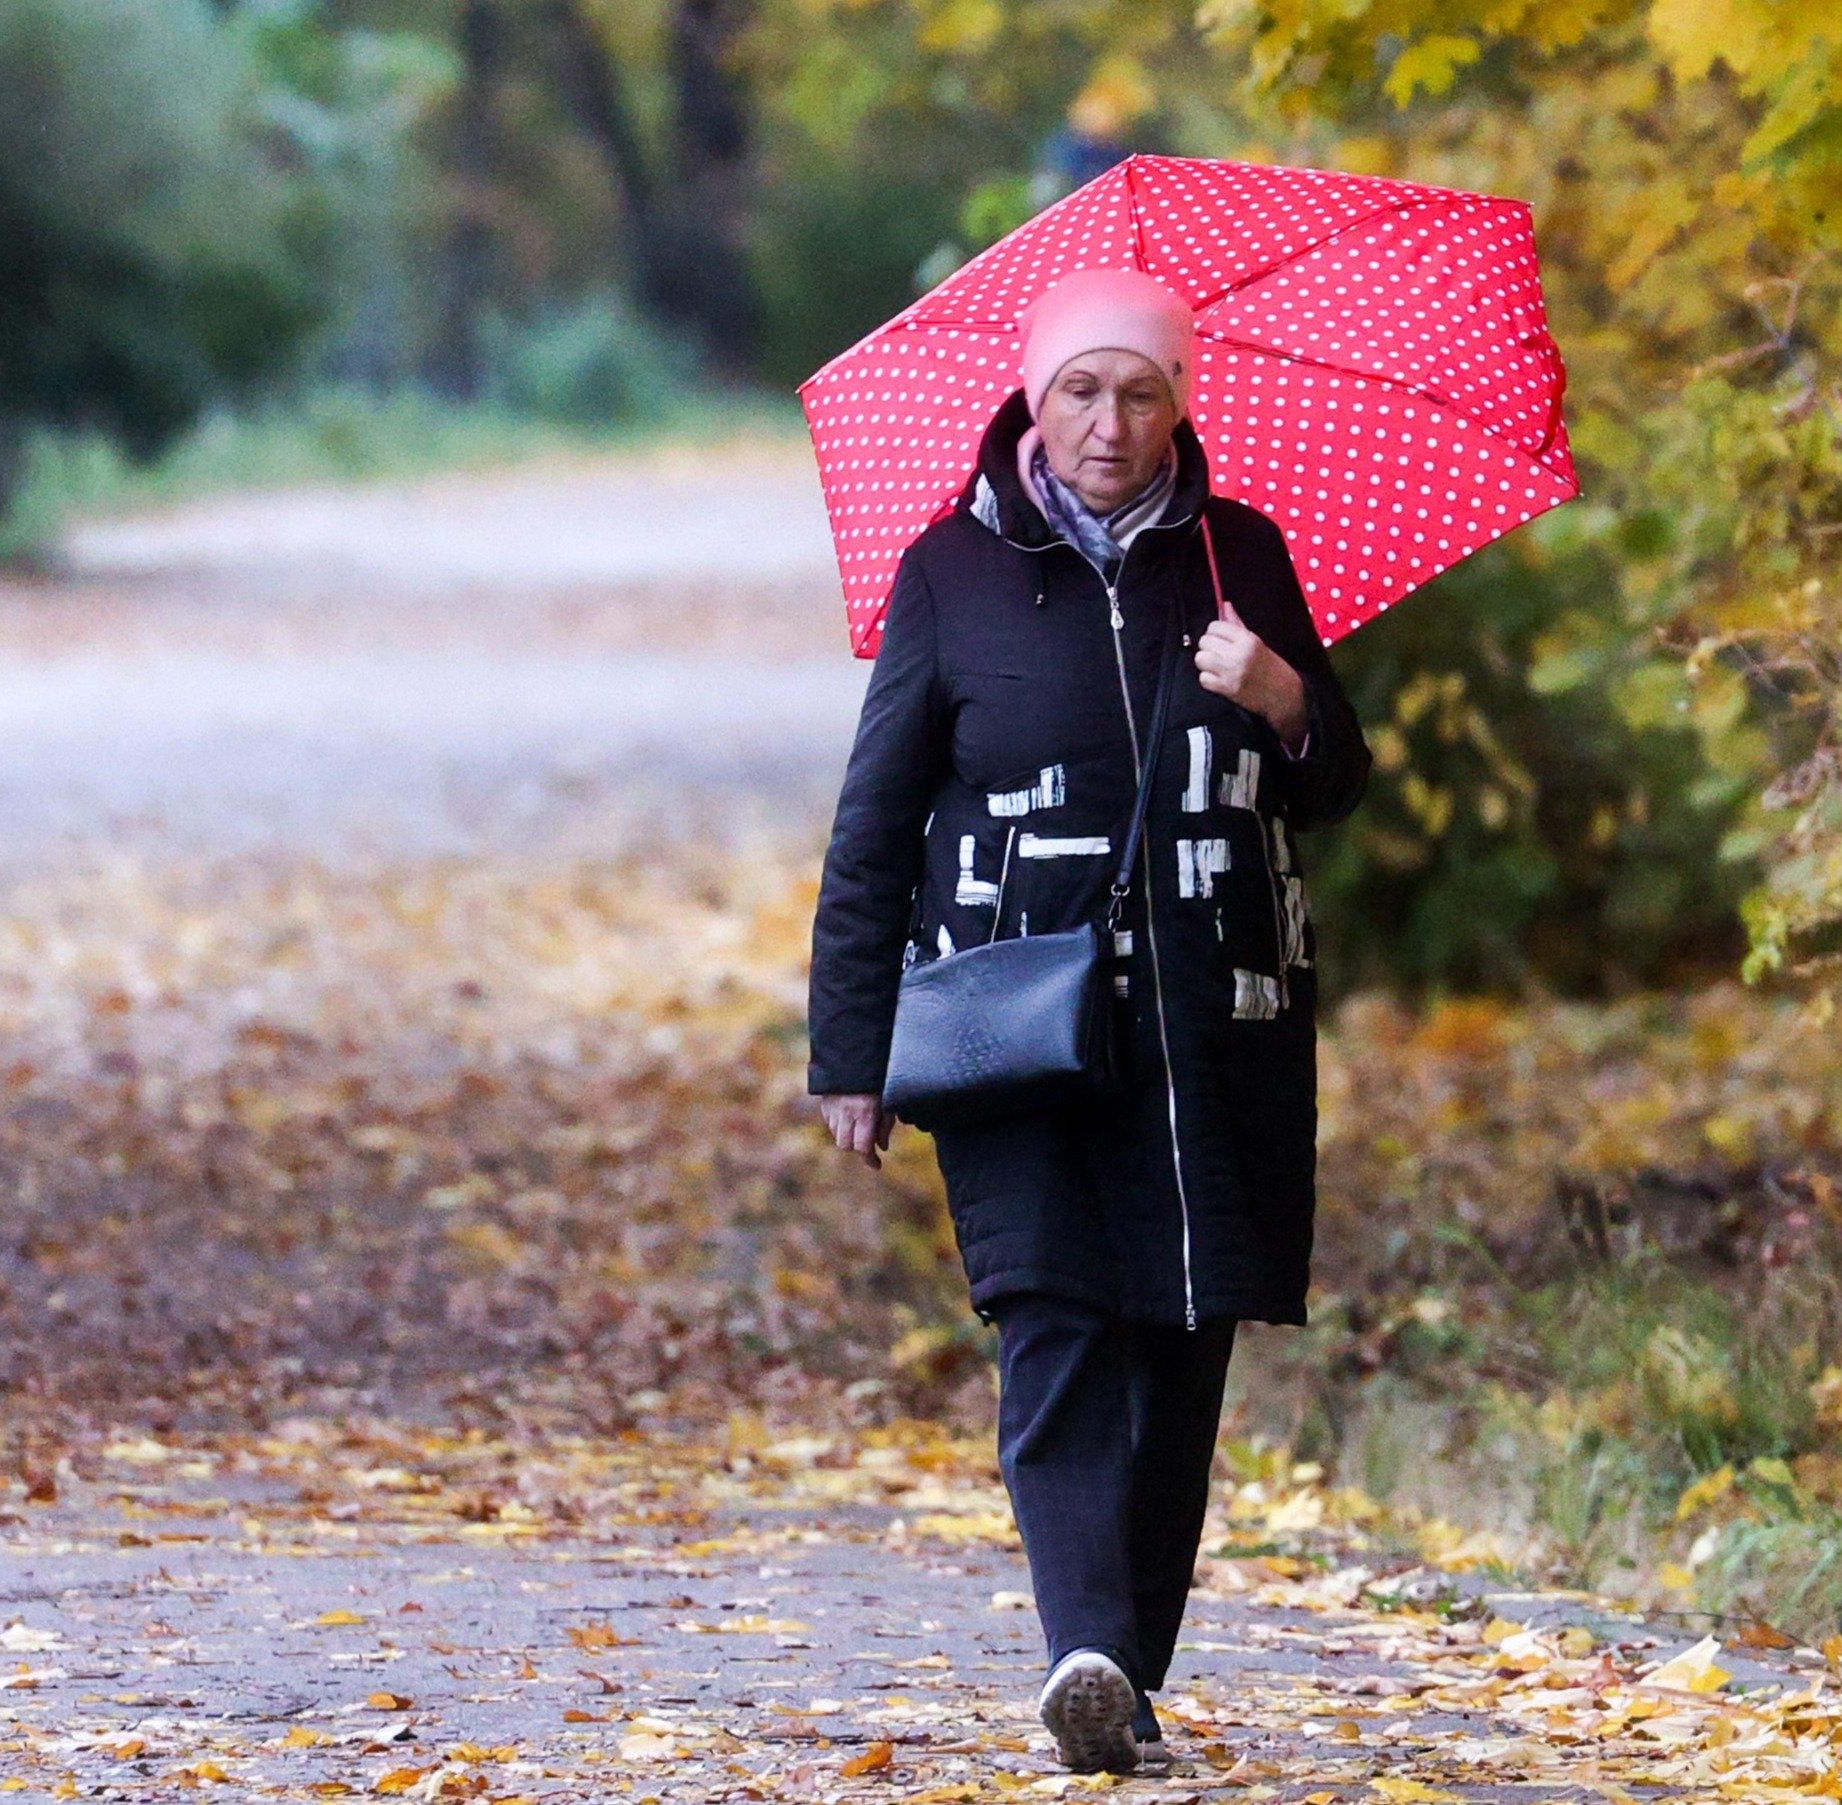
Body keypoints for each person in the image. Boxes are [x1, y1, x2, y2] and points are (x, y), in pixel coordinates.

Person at [804, 266, 1370, 1775]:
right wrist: (847, 1052)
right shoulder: (951, 574)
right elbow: (874, 828)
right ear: (1032, 402)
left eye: (1139, 391)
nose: (1108, 423)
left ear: (1183, 402)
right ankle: (1083, 1649)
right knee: (1052, 1318)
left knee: (1183, 1338)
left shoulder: (1239, 555)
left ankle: (1123, 1668)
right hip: (1015, 1020)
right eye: (1080, 390)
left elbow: (1337, 783)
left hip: (1210, 1022)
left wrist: (1285, 694)